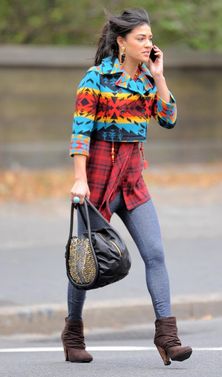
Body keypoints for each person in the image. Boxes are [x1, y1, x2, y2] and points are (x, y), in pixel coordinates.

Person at [61, 8, 192, 366]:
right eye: (141, 38)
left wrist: (160, 76)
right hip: (99, 179)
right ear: (122, 42)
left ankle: (167, 336)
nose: (149, 43)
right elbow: (80, 132)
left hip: (133, 179)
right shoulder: (96, 79)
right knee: (85, 259)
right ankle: (73, 333)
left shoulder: (148, 82)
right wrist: (79, 178)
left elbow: (168, 119)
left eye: (150, 38)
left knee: (156, 253)